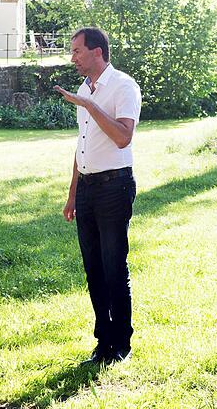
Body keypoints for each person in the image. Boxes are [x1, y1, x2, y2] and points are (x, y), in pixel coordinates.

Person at [54, 27, 141, 364]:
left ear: (97, 51)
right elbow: (82, 146)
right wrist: (72, 194)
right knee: (93, 268)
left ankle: (121, 343)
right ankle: (102, 341)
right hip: (88, 189)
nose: (72, 57)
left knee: (113, 265)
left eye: (77, 51)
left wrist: (89, 105)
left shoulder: (123, 86)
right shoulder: (82, 89)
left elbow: (123, 137)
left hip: (114, 187)